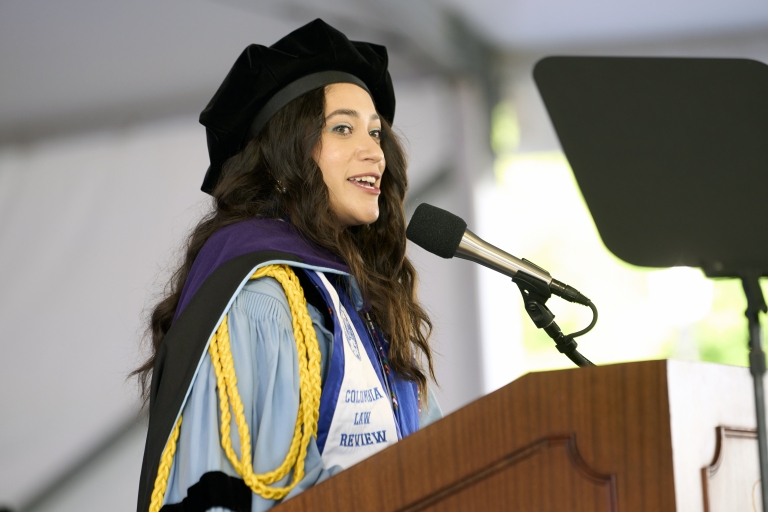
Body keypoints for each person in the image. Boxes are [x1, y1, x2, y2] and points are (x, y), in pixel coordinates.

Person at [133, 19, 441, 512]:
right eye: (343, 128)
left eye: (376, 132)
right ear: (282, 159)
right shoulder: (261, 299)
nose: (374, 152)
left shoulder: (362, 302)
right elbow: (221, 486)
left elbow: (444, 458)